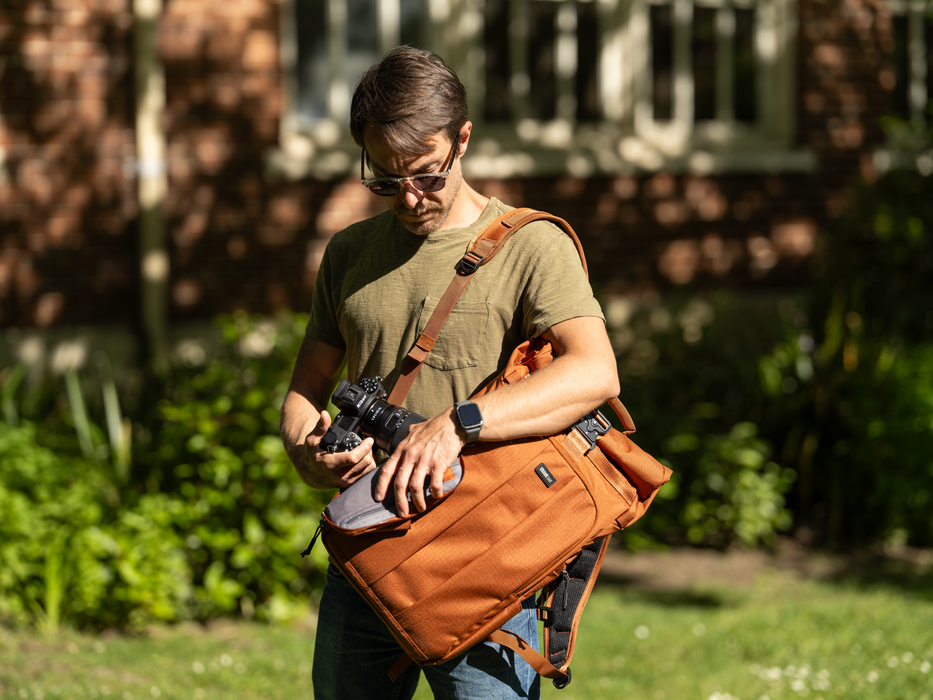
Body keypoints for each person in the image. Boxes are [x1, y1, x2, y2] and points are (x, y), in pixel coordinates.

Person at [280, 46, 620, 700]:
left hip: (484, 565)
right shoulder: (348, 253)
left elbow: (595, 373)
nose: (408, 197)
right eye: (384, 179)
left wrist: (456, 425)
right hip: (365, 557)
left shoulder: (529, 246)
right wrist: (306, 451)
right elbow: (304, 389)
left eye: (426, 175)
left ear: (462, 140)